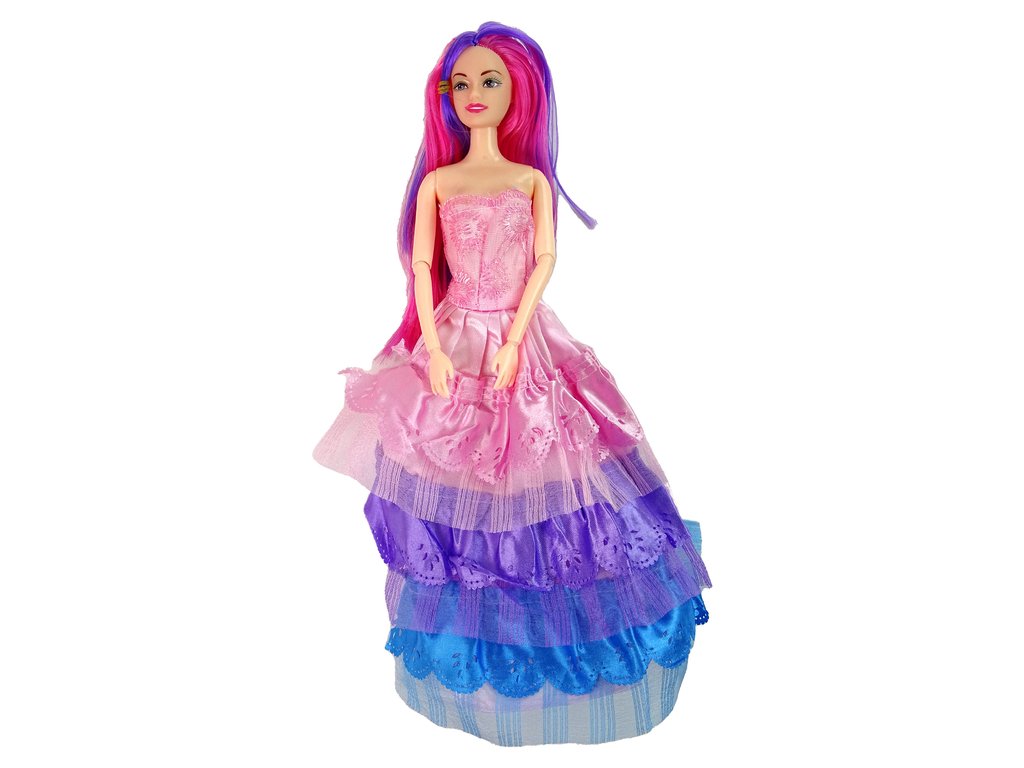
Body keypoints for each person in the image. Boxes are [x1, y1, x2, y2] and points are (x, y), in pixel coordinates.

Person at [313, 20, 712, 746]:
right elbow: (421, 266)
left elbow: (545, 262)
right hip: (455, 339)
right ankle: (474, 649)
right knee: (456, 497)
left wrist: (517, 336)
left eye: (488, 80)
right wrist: (436, 349)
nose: (473, 93)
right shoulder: (439, 183)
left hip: (521, 344)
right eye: (460, 83)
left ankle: (558, 643)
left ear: (516, 92)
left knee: (556, 489)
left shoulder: (530, 180)